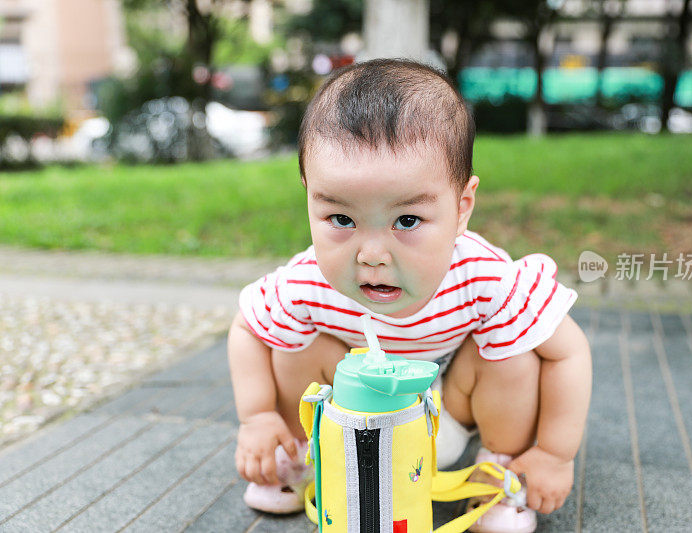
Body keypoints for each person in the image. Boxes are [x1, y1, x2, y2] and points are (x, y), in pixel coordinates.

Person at [227, 58, 592, 533]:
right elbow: (246, 326)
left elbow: (569, 353)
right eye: (341, 220)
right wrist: (256, 416)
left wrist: (554, 453)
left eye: (407, 221)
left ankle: (501, 471)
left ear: (461, 208)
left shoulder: (485, 277)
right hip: (353, 418)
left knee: (516, 355)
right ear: (310, 198)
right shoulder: (308, 281)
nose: (372, 255)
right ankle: (302, 456)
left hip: (452, 409)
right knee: (292, 345)